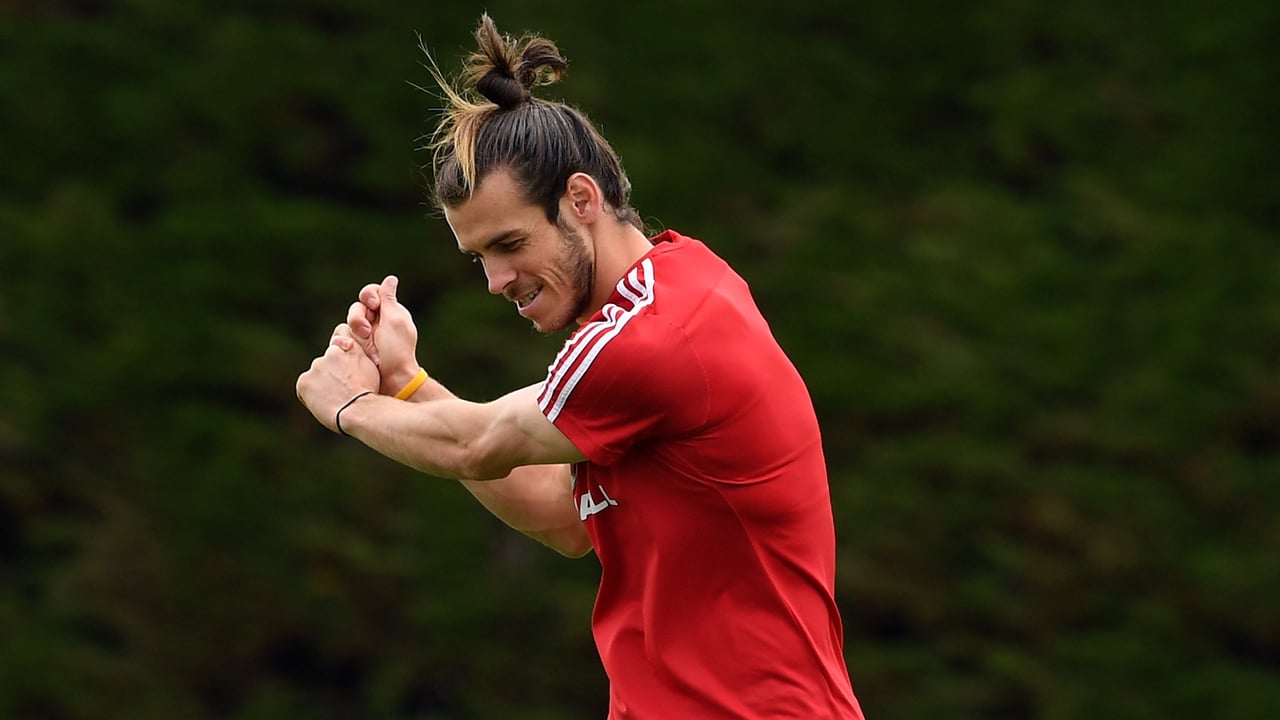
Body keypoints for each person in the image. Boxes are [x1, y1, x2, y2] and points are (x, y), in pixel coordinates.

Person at [296, 14, 865, 719]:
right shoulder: (669, 295)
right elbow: (565, 520)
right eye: (481, 258)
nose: (496, 281)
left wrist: (351, 406)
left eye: (510, 243)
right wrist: (407, 385)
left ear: (582, 200)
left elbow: (476, 444)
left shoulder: (653, 338)